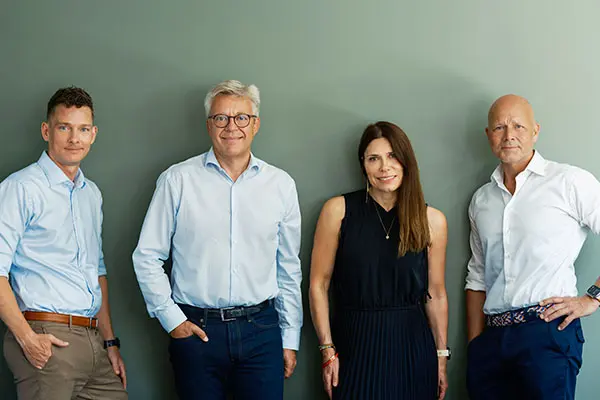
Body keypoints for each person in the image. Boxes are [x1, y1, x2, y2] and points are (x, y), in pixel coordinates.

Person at [132, 80, 303, 400]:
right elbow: (147, 256)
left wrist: (290, 336)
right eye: (221, 118)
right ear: (209, 125)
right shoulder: (177, 180)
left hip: (262, 332)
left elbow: (288, 267)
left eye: (242, 118)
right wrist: (173, 321)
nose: (231, 127)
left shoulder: (281, 185)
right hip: (197, 331)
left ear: (256, 125)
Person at [465, 94, 600, 399]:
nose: (509, 135)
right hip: (492, 340)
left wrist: (592, 298)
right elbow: (477, 276)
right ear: (488, 135)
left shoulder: (569, 182)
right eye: (499, 127)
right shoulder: (481, 200)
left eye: (518, 126)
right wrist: (475, 346)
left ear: (535, 131)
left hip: (548, 333)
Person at [0, 87, 127, 399]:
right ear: (46, 131)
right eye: (64, 128)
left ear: (93, 134)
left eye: (83, 129)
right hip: (46, 334)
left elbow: (97, 271)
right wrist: (28, 338)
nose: (74, 139)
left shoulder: (91, 194)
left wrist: (109, 342)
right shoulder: (21, 188)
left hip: (93, 339)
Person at [309, 121, 449, 400]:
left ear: (406, 161)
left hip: (414, 350)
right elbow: (318, 285)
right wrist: (327, 349)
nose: (385, 167)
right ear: (363, 165)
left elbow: (436, 293)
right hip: (354, 348)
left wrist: (441, 357)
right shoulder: (337, 211)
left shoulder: (432, 220)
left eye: (392, 156)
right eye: (374, 158)